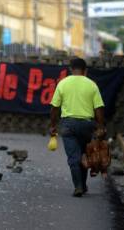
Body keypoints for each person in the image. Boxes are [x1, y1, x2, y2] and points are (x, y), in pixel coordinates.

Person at [50, 58, 105, 197]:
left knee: (74, 158)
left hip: (68, 125)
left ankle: (78, 186)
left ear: (70, 69)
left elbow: (54, 107)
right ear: (85, 70)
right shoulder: (92, 85)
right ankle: (83, 185)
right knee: (84, 153)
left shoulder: (63, 83)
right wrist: (100, 126)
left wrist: (53, 125)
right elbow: (98, 108)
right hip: (87, 125)